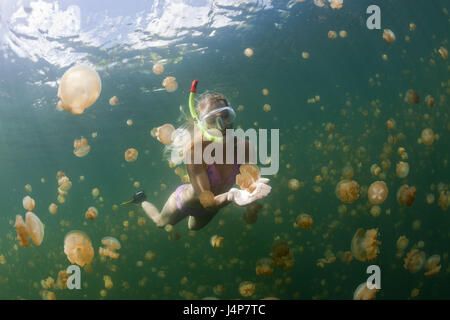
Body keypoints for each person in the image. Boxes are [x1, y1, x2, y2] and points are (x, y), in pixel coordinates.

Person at [122, 80, 271, 230]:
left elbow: (249, 182)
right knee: (160, 222)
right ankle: (141, 200)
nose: (221, 125)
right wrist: (231, 196)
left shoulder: (245, 147)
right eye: (212, 120)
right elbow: (208, 202)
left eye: (226, 116)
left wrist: (252, 188)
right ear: (202, 125)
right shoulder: (195, 152)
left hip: (215, 205)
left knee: (193, 228)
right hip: (187, 203)